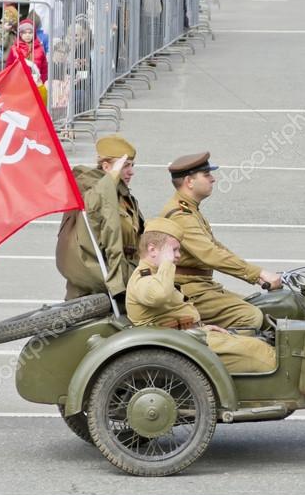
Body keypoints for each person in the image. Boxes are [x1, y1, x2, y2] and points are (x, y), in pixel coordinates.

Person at [126, 218, 276, 374]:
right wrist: (166, 262)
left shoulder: (157, 275)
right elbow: (159, 295)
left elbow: (171, 314)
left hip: (188, 339)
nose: (178, 256)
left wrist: (200, 328)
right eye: (174, 250)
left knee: (259, 344)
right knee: (262, 354)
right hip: (180, 347)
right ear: (152, 250)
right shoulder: (142, 279)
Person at [160, 152, 282, 329]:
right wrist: (257, 274)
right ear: (189, 182)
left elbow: (216, 247)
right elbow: (210, 254)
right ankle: (234, 354)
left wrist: (257, 273)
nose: (213, 179)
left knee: (264, 306)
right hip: (190, 289)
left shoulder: (189, 209)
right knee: (251, 317)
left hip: (201, 285)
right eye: (207, 174)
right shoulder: (180, 215)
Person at [56, 135, 145, 300]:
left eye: (132, 165)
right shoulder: (88, 190)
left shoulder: (122, 195)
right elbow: (95, 210)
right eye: (125, 166)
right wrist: (112, 177)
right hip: (95, 293)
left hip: (123, 281)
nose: (131, 171)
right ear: (106, 166)